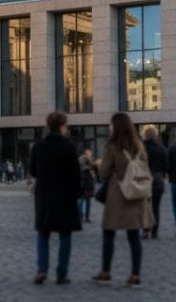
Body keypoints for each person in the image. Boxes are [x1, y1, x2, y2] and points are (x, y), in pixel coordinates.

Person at [92, 113, 151, 288]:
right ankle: (135, 275)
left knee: (108, 233)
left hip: (118, 194)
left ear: (116, 127)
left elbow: (104, 172)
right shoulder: (139, 145)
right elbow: (145, 165)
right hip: (136, 193)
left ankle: (106, 273)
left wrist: (98, 164)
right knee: (134, 237)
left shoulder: (111, 146)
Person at [29, 111, 82, 285]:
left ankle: (42, 270)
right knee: (65, 235)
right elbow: (76, 174)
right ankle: (61, 273)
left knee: (43, 234)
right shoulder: (69, 147)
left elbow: (33, 171)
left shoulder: (38, 147)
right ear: (62, 126)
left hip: (44, 195)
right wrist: (76, 195)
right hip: (65, 196)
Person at [141, 127, 168, 239]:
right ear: (155, 135)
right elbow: (166, 166)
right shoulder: (161, 148)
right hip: (157, 180)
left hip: (143, 179)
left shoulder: (140, 147)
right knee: (156, 207)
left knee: (144, 207)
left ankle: (146, 230)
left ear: (145, 135)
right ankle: (155, 232)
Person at [78, 150, 97, 223]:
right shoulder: (88, 167)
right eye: (89, 154)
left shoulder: (81, 166)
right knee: (84, 201)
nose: (90, 155)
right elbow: (92, 177)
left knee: (82, 201)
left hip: (83, 186)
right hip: (86, 186)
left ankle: (82, 217)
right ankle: (85, 217)